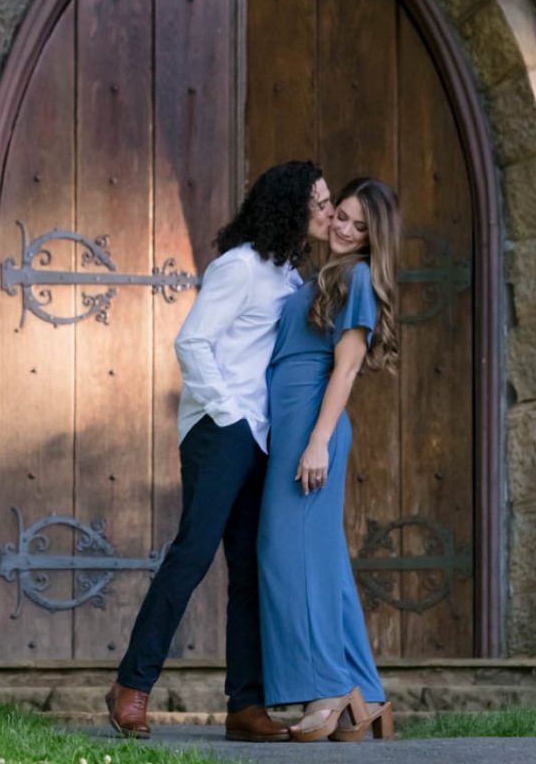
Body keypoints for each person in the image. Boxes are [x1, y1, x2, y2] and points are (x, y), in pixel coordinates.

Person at [107, 161, 333, 742]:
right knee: (193, 553)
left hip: (264, 438)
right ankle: (132, 686)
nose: (329, 212)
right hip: (221, 428)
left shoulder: (287, 276)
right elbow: (193, 342)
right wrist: (231, 416)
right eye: (321, 203)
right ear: (290, 205)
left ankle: (245, 706)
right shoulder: (240, 268)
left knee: (251, 572)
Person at [258, 177, 402, 742]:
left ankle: (326, 689)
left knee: (284, 549)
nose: (343, 229)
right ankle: (366, 696)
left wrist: (317, 441)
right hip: (293, 422)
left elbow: (344, 368)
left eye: (358, 226)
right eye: (340, 215)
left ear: (373, 238)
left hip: (312, 427)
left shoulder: (359, 278)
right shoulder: (322, 276)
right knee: (326, 562)